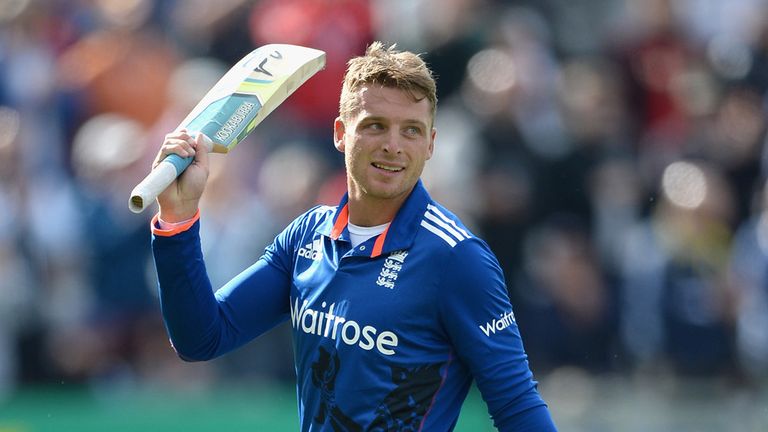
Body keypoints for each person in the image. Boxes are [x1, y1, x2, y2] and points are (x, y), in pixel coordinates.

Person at [150, 41, 557, 431]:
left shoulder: (457, 258)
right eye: (375, 126)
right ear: (341, 133)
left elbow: (516, 404)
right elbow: (200, 338)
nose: (393, 146)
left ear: (431, 144)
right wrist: (177, 219)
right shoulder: (307, 236)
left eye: (411, 131)